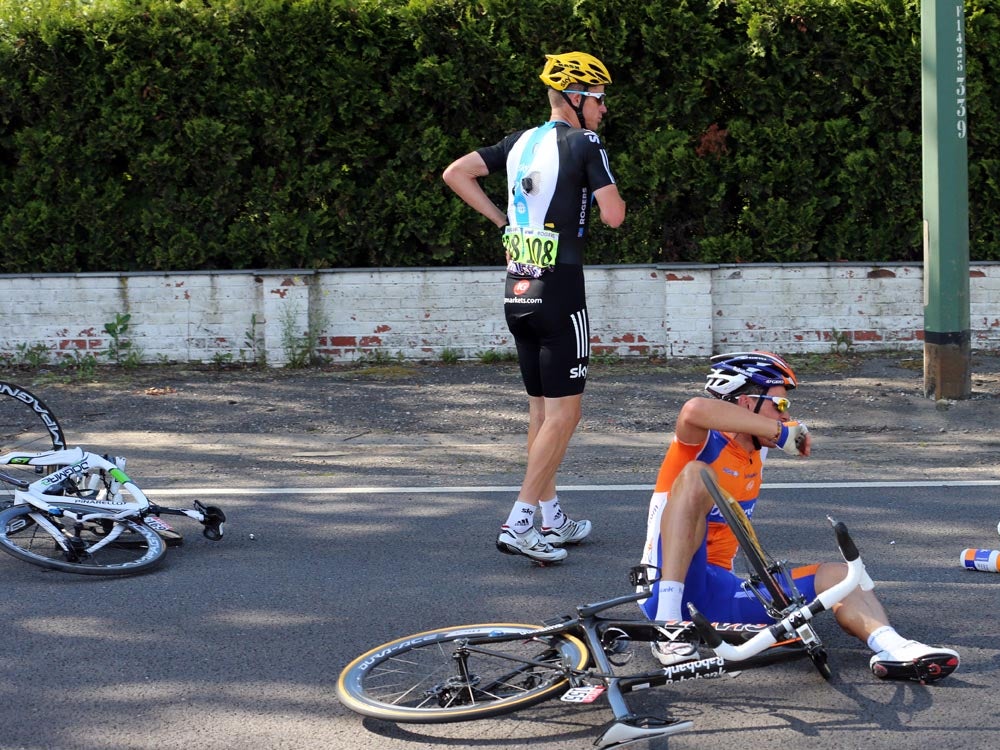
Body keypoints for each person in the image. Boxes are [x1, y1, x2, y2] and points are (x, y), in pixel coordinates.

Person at [638, 351, 960, 683]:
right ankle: (667, 628)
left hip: (719, 593)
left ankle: (894, 649)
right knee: (696, 475)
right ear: (746, 403)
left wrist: (780, 429)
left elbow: (771, 429)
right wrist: (777, 430)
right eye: (779, 405)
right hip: (666, 589)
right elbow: (695, 409)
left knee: (838, 575)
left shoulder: (756, 451)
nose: (786, 414)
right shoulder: (699, 444)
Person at [442, 52, 626, 563]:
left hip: (518, 289)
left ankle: (551, 516)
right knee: (566, 415)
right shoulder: (585, 143)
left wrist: (504, 223)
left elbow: (456, 173)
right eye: (600, 99)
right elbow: (613, 216)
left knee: (542, 411)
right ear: (576, 99)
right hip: (562, 290)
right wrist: (595, 184)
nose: (604, 110)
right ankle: (520, 520)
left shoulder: (519, 142)